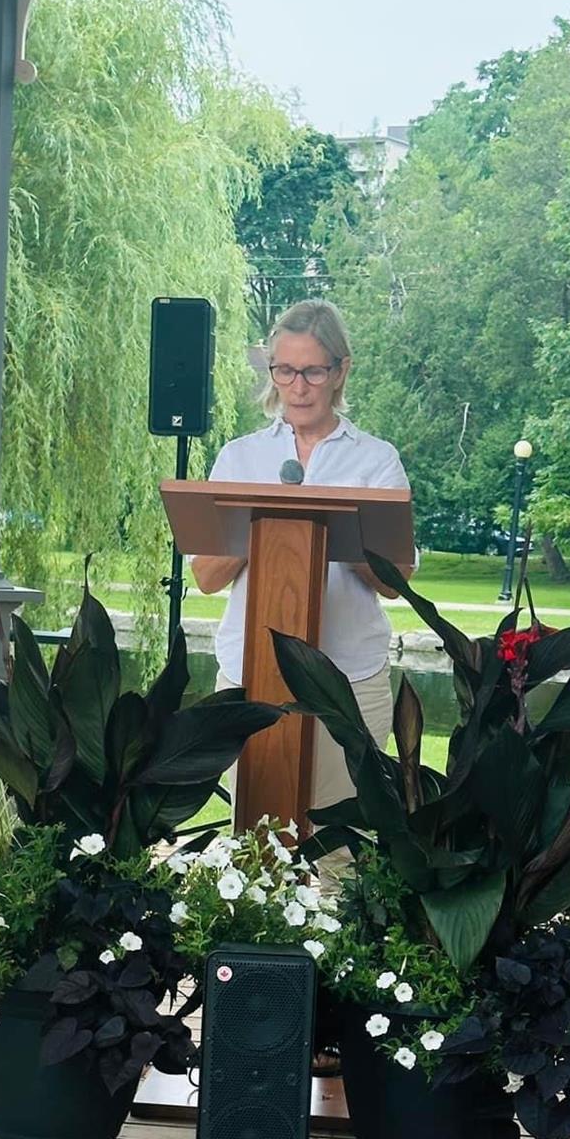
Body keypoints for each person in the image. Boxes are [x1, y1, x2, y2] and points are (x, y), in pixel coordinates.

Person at [191, 298, 414, 815]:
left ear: (340, 371)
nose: (298, 386)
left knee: (344, 842)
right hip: (250, 672)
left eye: (313, 371)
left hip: (349, 676)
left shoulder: (376, 460)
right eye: (285, 370)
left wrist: (334, 525)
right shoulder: (240, 457)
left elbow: (396, 580)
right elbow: (205, 576)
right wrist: (261, 520)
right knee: (255, 841)